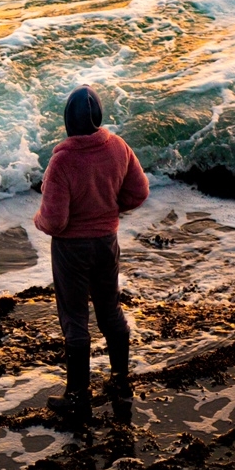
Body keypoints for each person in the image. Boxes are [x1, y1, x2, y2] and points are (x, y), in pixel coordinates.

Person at [34, 85, 149, 424]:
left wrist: (37, 219)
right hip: (106, 240)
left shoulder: (63, 160)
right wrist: (111, 210)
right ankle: (120, 380)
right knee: (110, 309)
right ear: (98, 118)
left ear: (68, 122)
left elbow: (55, 221)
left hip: (72, 249)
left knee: (74, 318)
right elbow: (139, 192)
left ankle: (77, 396)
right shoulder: (118, 147)